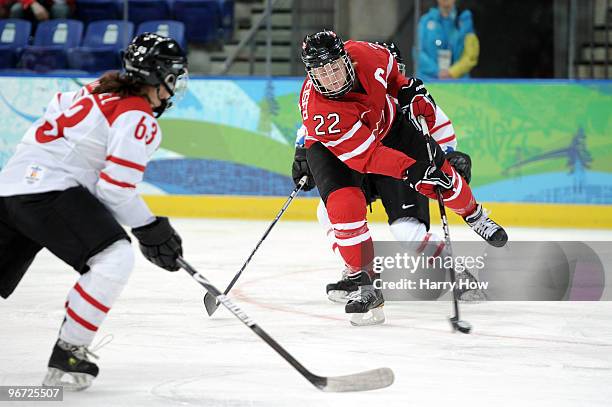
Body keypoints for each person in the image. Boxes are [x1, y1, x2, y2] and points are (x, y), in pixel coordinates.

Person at [0, 33, 187, 390]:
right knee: (114, 257)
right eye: (173, 77)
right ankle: (69, 353)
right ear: (158, 75)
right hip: (48, 190)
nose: (174, 87)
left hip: (9, 187)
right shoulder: (138, 116)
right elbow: (114, 188)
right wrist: (151, 229)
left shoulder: (98, 87)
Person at [293, 30, 505, 326]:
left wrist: (406, 90)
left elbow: (396, 78)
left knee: (437, 178)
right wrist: (410, 168)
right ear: (310, 74)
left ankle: (475, 215)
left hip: (390, 130)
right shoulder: (321, 112)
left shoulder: (368, 55)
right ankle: (364, 283)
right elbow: (366, 157)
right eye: (322, 72)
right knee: (340, 206)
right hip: (342, 151)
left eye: (334, 67)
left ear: (346, 59)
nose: (331, 78)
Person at [416, 0, 479, 80]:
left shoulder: (465, 20)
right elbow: (417, 52)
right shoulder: (425, 21)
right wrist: (437, 71)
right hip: (428, 81)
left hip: (459, 83)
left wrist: (452, 72)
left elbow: (471, 55)